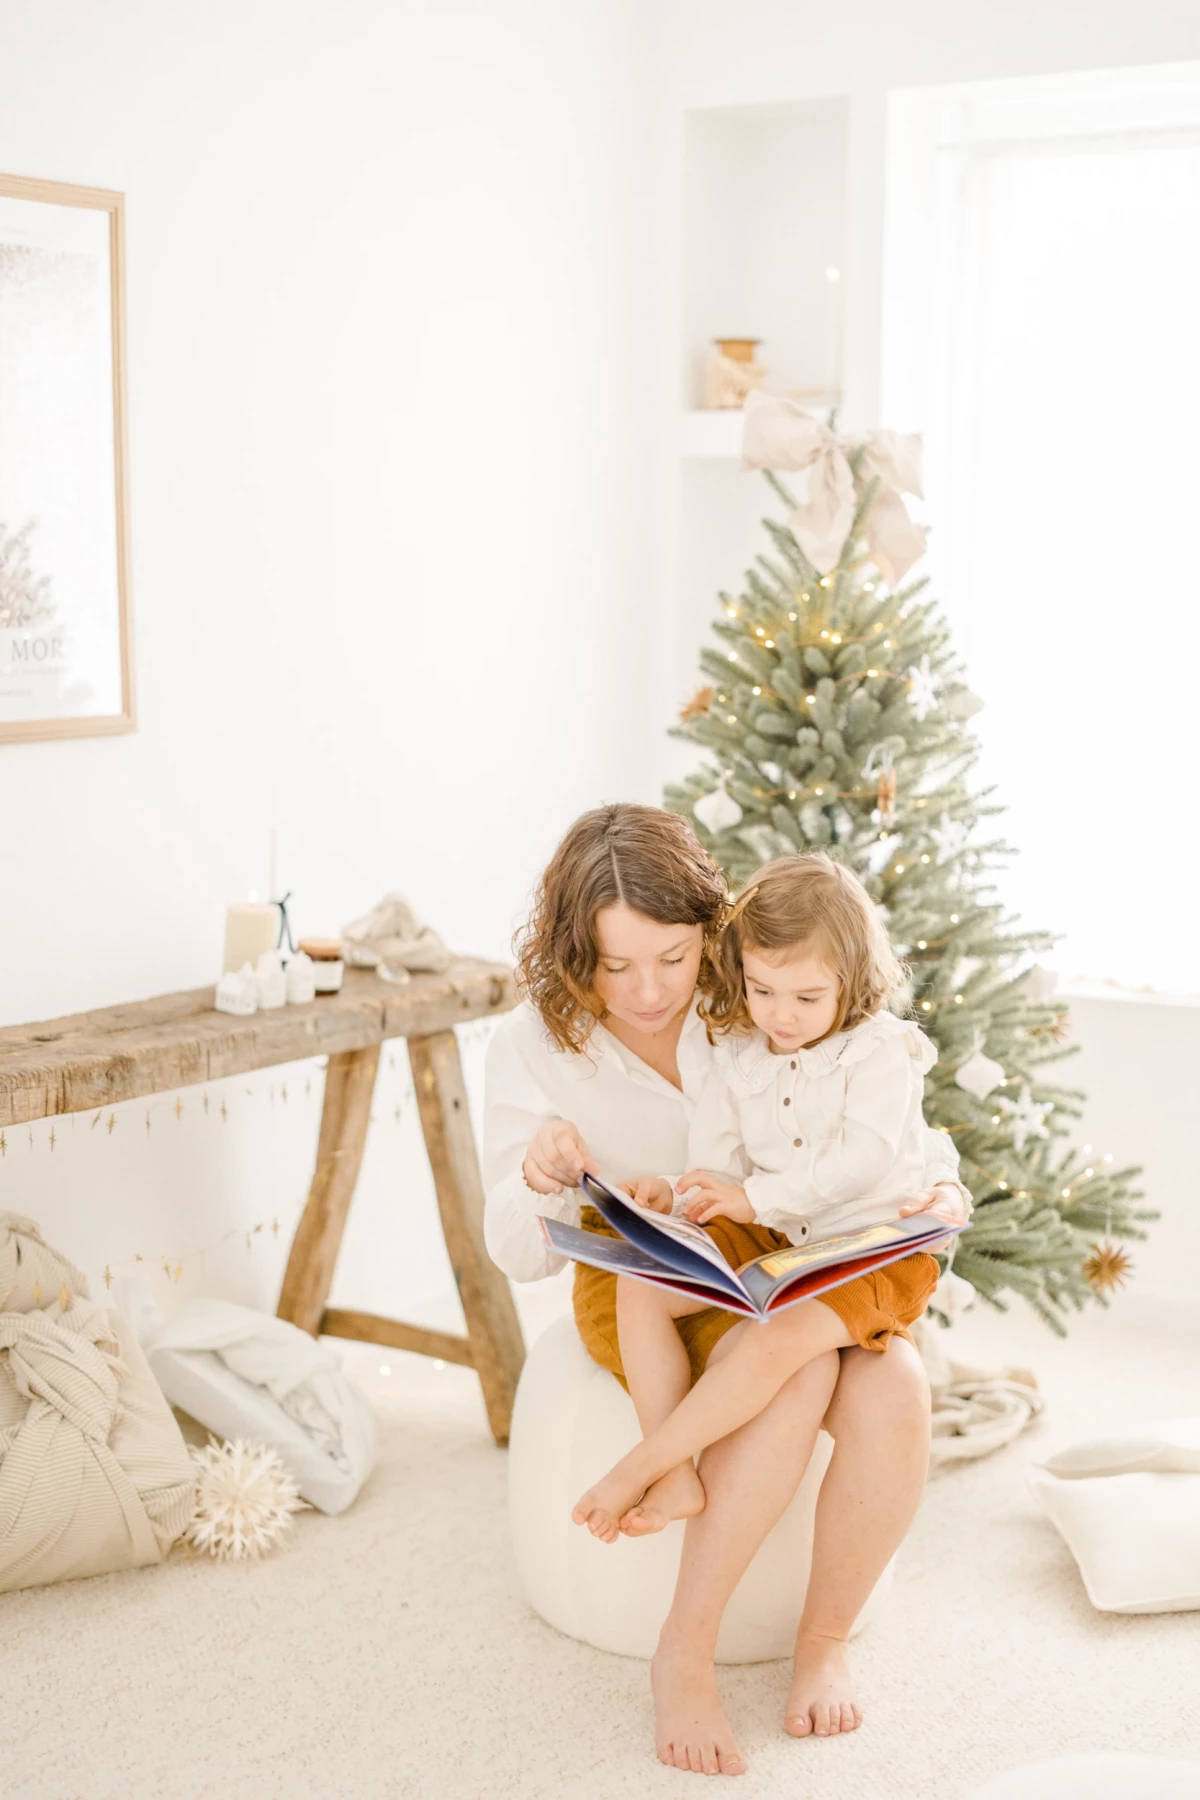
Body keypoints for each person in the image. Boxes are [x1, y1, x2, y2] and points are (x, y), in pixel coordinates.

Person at [483, 804, 970, 1776]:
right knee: (789, 1379)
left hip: (780, 1258)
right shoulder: (531, 1043)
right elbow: (513, 1249)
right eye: (614, 968)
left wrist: (943, 1179)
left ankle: (822, 1643)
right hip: (657, 1276)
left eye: (670, 957)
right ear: (569, 952)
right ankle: (684, 1652)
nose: (649, 991)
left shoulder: (753, 990)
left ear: (706, 931)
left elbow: (868, 1109)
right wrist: (541, 1179)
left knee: (896, 1391)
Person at [571, 853, 962, 1544]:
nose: (781, 1015)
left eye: (807, 998)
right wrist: (676, 1194)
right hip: (782, 1238)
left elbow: (862, 1161)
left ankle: (642, 1466)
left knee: (778, 1339)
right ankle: (676, 1473)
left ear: (853, 980)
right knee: (642, 1283)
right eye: (762, 990)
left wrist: (754, 1199)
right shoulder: (742, 1052)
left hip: (872, 1250)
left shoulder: (880, 1052)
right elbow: (716, 1164)